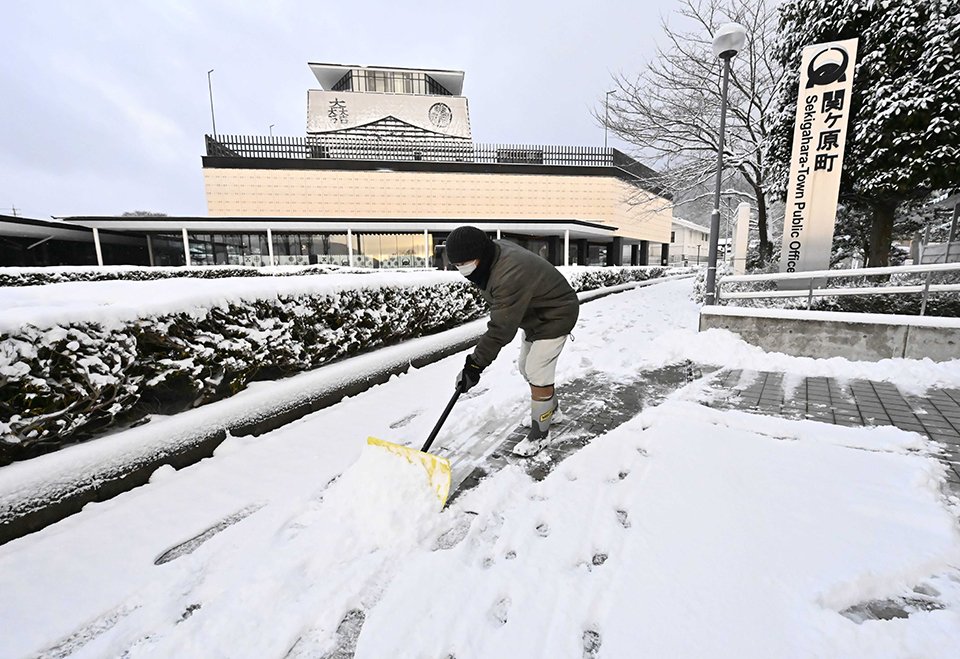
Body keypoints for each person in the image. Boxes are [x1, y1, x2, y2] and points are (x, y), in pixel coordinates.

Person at [445, 226, 580, 456]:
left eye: (464, 263)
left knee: (537, 370)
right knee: (525, 367)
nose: (462, 270)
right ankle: (551, 411)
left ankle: (540, 434)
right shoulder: (490, 257)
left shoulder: (508, 272)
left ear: (480, 255)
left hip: (557, 314)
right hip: (535, 315)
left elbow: (500, 329)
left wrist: (475, 365)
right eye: (457, 265)